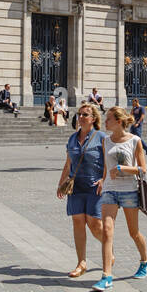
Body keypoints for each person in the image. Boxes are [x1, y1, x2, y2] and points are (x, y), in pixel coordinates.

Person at [92, 106, 147, 291]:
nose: (105, 122)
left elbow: (142, 169)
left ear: (118, 122)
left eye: (108, 119)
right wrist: (102, 179)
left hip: (129, 191)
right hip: (110, 190)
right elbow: (105, 166)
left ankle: (145, 261)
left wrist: (122, 169)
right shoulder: (106, 141)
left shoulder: (135, 141)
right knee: (107, 231)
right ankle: (106, 276)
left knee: (133, 232)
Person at [59, 103, 105, 279]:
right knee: (78, 222)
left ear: (93, 119)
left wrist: (104, 179)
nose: (81, 117)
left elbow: (109, 161)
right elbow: (69, 163)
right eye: (79, 114)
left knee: (94, 224)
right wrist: (61, 183)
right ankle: (81, 263)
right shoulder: (72, 138)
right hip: (76, 187)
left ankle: (108, 248)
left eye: (85, 115)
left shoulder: (101, 137)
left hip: (95, 187)